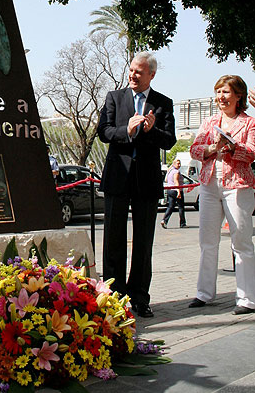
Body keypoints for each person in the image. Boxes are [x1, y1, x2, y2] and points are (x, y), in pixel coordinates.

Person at [97, 51, 176, 318]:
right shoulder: (114, 98)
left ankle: (140, 297)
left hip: (147, 181)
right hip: (118, 177)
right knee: (113, 240)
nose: (133, 75)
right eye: (131, 70)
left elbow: (169, 141)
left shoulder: (163, 103)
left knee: (143, 242)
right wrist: (126, 130)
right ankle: (113, 297)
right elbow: (104, 132)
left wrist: (152, 130)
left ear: (151, 75)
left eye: (139, 72)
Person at [188, 75, 255, 315]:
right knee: (207, 241)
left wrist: (233, 147)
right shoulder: (209, 122)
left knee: (241, 241)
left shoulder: (249, 123)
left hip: (237, 185)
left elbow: (252, 153)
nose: (221, 97)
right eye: (218, 92)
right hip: (208, 185)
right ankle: (204, 294)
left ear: (239, 96)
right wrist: (213, 147)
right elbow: (194, 150)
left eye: (226, 92)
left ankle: (247, 298)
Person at [161, 159, 187, 228]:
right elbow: (176, 181)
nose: (179, 165)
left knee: (170, 206)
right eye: (178, 163)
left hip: (170, 190)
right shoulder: (176, 172)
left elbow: (166, 180)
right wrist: (178, 192)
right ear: (174, 164)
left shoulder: (170, 171)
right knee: (181, 207)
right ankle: (182, 223)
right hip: (176, 190)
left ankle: (164, 220)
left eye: (180, 163)